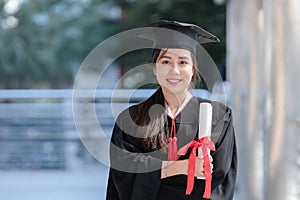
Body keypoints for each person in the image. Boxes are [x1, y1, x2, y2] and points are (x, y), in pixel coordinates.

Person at [106, 20, 237, 200]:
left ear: (193, 70)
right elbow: (123, 175)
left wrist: (154, 172)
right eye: (166, 61)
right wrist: (181, 168)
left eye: (183, 62)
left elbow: (219, 183)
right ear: (154, 68)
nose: (174, 70)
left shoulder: (219, 117)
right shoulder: (131, 119)